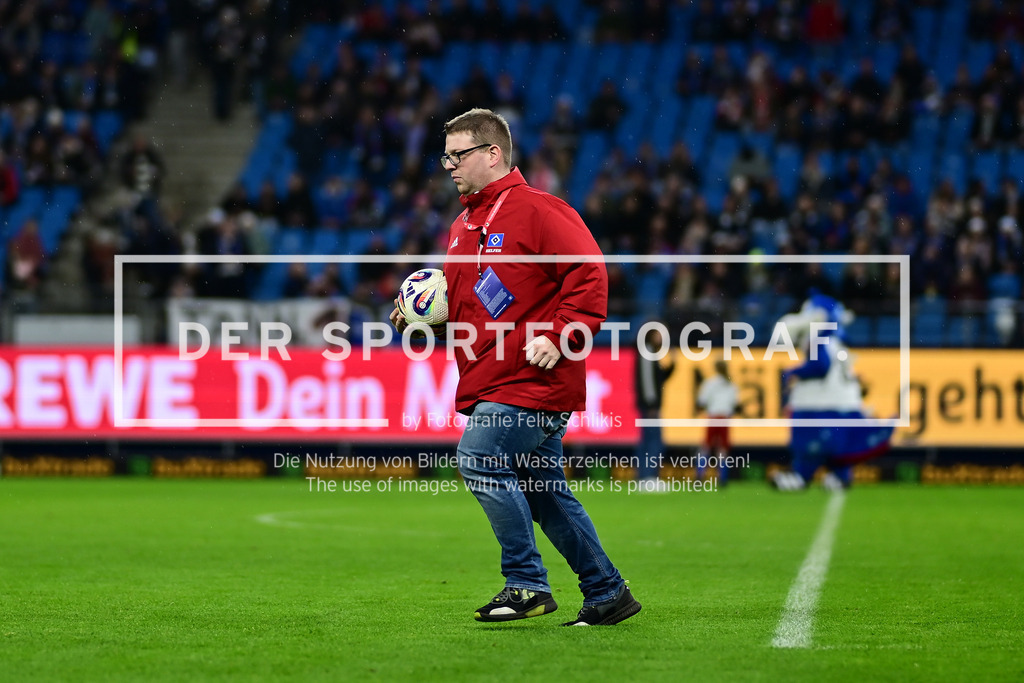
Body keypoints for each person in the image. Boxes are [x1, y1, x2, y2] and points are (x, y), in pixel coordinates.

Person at [390, 108, 640, 626]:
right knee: (545, 493)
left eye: (458, 155)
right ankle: (607, 592)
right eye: (447, 157)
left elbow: (589, 275)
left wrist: (563, 333)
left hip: (534, 377)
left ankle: (525, 583)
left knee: (479, 459)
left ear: (493, 154)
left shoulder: (539, 210)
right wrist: (428, 324)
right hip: (491, 377)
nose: (449, 166)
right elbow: (471, 310)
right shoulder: (463, 226)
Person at [771, 293, 895, 491]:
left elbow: (821, 366)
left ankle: (801, 476)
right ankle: (840, 476)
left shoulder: (820, 341)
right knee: (836, 448)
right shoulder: (835, 343)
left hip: (822, 407)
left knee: (811, 447)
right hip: (842, 406)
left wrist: (793, 372)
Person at [634, 326, 675, 492]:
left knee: (649, 441)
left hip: (649, 405)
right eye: (658, 334)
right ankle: (648, 477)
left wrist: (672, 366)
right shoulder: (647, 351)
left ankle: (645, 476)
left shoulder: (650, 352)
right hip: (650, 406)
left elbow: (659, 378)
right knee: (653, 442)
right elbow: (647, 380)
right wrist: (650, 403)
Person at [695, 359, 739, 484]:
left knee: (707, 446)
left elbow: (702, 401)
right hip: (725, 417)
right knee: (723, 448)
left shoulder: (710, 383)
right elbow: (734, 403)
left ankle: (700, 474)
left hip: (713, 417)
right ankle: (723, 477)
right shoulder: (731, 384)